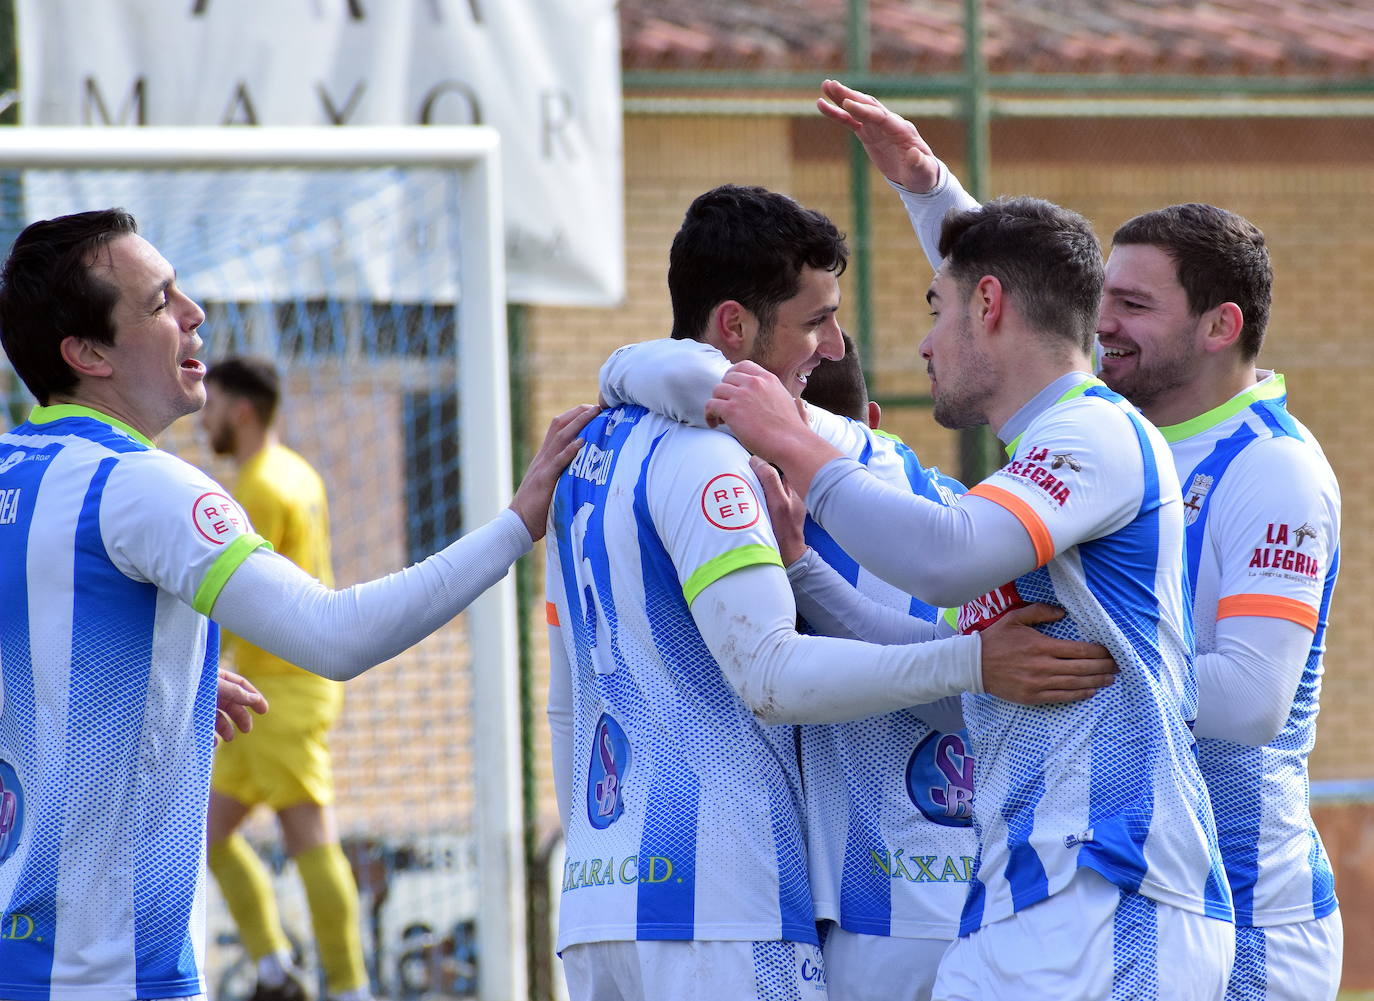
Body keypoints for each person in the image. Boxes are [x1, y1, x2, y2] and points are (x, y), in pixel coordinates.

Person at [602, 193, 1236, 999]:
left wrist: (790, 439)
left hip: (1112, 888)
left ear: (989, 304)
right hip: (1020, 897)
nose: (924, 344)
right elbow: (947, 686)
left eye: (937, 311)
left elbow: (944, 558)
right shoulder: (1028, 469)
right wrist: (803, 570)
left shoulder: (1095, 432)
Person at [821, 77, 1343, 1001]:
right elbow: (1023, 312)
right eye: (1104, 301)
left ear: (1222, 328)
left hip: (1247, 899)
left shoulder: (1273, 469)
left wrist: (1087, 671)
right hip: (1125, 883)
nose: (1103, 324)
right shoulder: (1112, 436)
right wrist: (929, 189)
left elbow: (1254, 702)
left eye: (1135, 308)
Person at [0, 207, 597, 1001]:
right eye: (158, 302)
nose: (194, 313)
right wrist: (518, 524)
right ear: (88, 353)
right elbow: (334, 632)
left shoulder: (15, 467)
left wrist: (150, 689)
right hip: (106, 974)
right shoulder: (144, 486)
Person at [789, 332, 973, 1001]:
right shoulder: (973, 508)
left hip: (874, 912)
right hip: (989, 901)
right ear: (872, 422)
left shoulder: (778, 517)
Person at [199, 356, 368, 1001]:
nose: (203, 417)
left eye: (211, 404)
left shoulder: (259, 488)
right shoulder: (295, 471)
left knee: (307, 835)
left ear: (241, 410)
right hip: (275, 685)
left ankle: (350, 988)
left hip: (281, 690)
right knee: (206, 835)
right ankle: (274, 969)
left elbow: (238, 591)